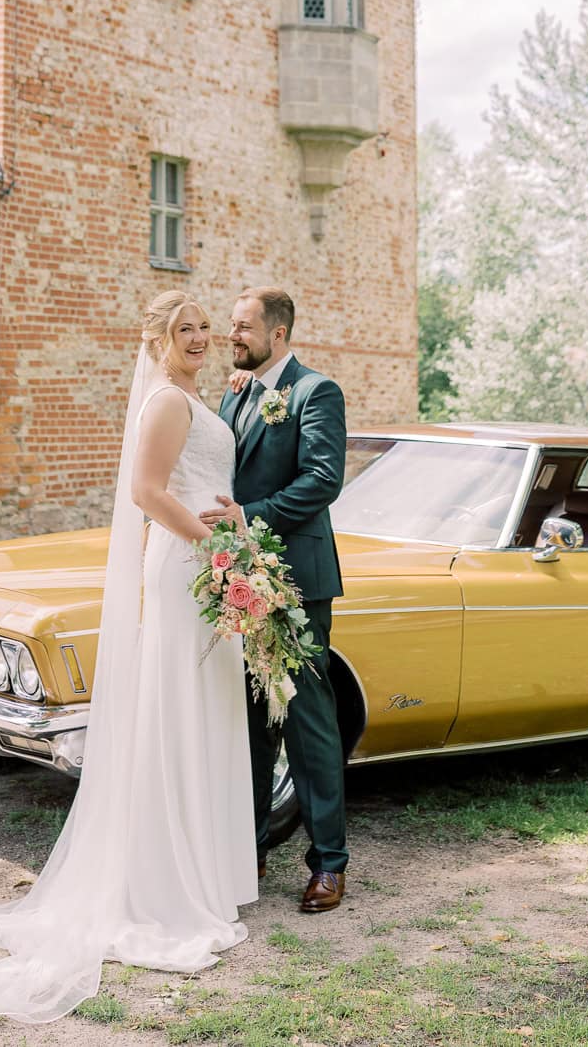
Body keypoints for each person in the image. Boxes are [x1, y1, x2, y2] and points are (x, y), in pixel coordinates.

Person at [0, 291, 256, 1025]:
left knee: (204, 707)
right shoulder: (166, 405)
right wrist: (213, 545)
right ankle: (163, 881)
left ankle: (205, 871)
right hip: (186, 565)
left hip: (211, 557)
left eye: (205, 326)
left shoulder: (190, 397)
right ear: (159, 338)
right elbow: (147, 491)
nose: (201, 337)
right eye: (186, 329)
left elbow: (203, 484)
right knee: (178, 706)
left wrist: (235, 521)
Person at [203, 286, 350, 913]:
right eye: (231, 327)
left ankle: (329, 865)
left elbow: (322, 479)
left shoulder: (316, 393)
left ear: (278, 333)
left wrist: (248, 517)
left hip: (296, 580)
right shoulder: (235, 395)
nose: (231, 337)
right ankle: (251, 849)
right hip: (239, 577)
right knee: (252, 722)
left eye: (242, 328)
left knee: (307, 721)